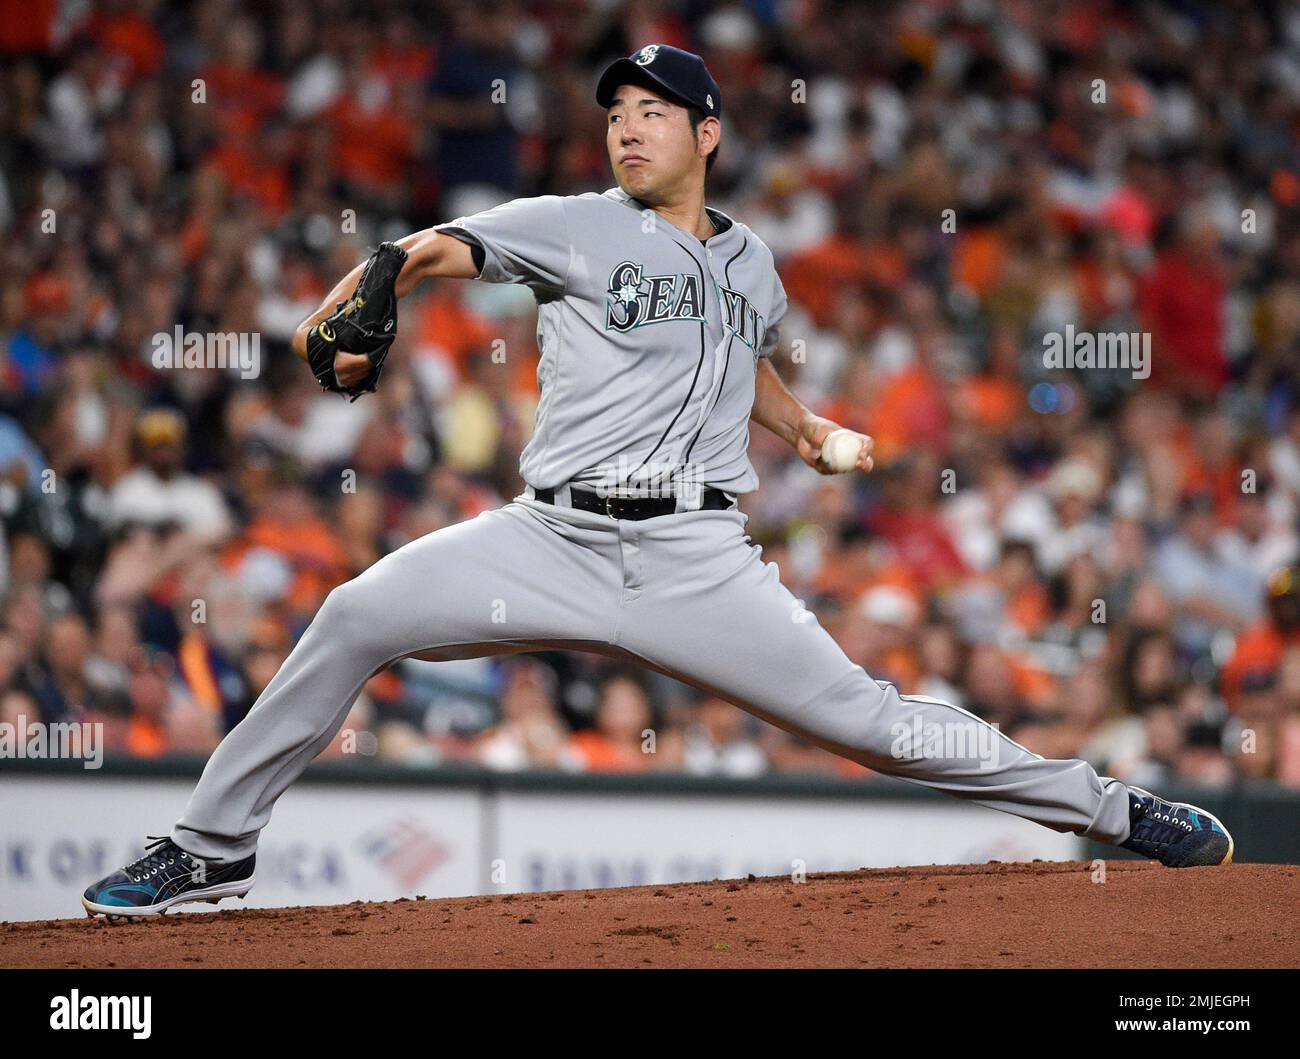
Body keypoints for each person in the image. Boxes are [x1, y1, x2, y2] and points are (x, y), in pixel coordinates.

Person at [83, 45, 1232, 918]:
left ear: (708, 133)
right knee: (353, 615)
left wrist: (808, 430)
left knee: (878, 728)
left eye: (652, 114)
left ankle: (1116, 810)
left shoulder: (755, 263)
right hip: (549, 542)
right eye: (617, 116)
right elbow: (430, 248)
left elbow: (744, 376)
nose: (628, 131)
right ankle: (213, 844)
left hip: (697, 560)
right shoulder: (575, 225)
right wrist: (374, 281)